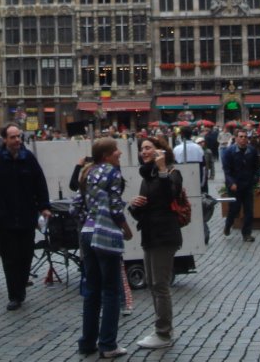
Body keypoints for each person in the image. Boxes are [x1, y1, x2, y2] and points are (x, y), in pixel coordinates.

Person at [77, 137, 132, 359]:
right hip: (105, 233)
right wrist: (126, 228)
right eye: (115, 150)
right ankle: (108, 344)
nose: (119, 153)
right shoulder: (112, 173)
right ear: (107, 156)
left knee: (92, 290)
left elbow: (78, 203)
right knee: (111, 290)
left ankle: (87, 342)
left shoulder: (88, 172)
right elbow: (116, 206)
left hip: (87, 232)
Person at [0, 122, 51, 311]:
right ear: (5, 139)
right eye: (13, 137)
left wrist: (44, 206)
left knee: (25, 254)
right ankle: (14, 295)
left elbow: (40, 182)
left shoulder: (28, 158)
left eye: (18, 137)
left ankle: (21, 286)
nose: (17, 140)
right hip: (5, 217)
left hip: (26, 214)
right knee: (9, 257)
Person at [128, 137, 182, 350]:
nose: (144, 152)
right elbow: (144, 206)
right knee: (152, 283)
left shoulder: (171, 173)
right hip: (150, 234)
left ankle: (164, 332)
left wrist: (161, 169)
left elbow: (172, 194)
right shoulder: (147, 176)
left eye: (148, 148)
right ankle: (161, 328)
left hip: (165, 235)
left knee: (160, 285)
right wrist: (134, 204)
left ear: (161, 151)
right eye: (142, 149)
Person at [221, 129, 260, 242]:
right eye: (241, 136)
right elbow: (226, 171)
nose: (243, 139)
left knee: (249, 211)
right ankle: (228, 225)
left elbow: (257, 167)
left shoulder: (252, 151)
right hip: (235, 186)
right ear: (236, 138)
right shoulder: (229, 152)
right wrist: (231, 183)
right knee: (234, 209)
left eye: (245, 136)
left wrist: (255, 179)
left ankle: (246, 234)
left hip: (248, 185)